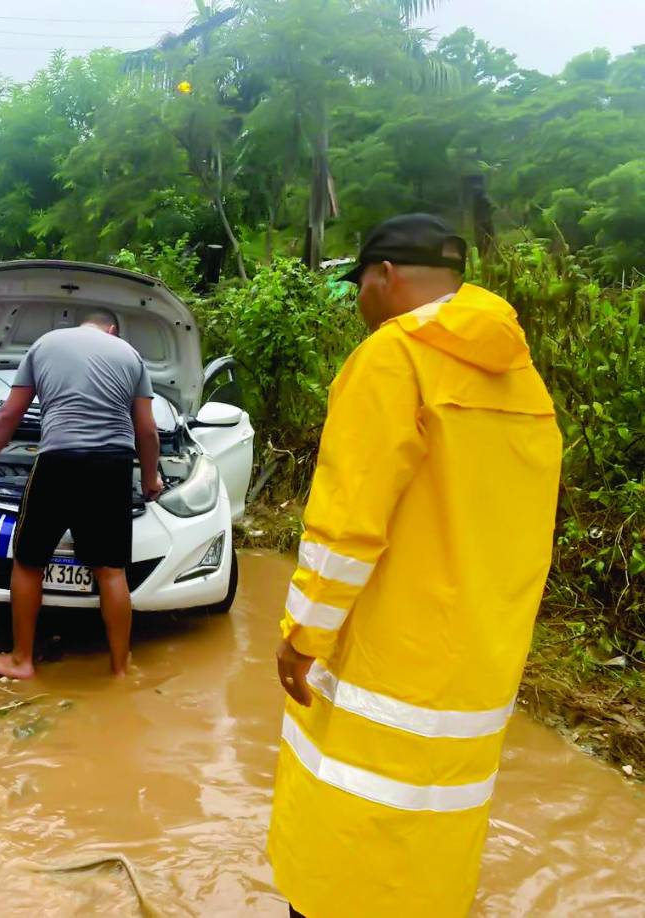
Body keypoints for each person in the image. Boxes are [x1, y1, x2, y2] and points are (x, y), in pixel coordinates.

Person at [266, 215, 562, 918]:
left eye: (359, 284)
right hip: (480, 660)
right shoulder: (522, 378)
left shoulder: (393, 358)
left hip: (388, 653)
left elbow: (346, 528)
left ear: (385, 276)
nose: (360, 302)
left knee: (344, 826)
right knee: (437, 830)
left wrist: (300, 633)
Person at [0, 309, 163, 680]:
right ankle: (121, 668)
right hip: (112, 466)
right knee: (111, 570)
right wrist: (150, 479)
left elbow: (10, 414)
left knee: (28, 561)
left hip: (58, 460)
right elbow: (147, 431)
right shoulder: (128, 354)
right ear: (111, 329)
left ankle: (22, 661)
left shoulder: (44, 345)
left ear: (80, 325)